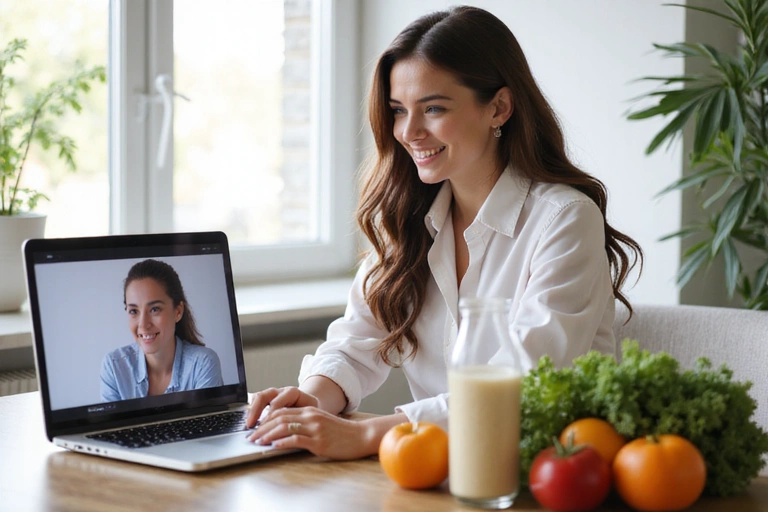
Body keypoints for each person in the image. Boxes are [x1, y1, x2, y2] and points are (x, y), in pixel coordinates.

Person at [245, 5, 642, 459]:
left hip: (545, 474)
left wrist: (370, 435)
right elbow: (357, 344)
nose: (409, 131)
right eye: (398, 110)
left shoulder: (565, 219)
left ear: (499, 107)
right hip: (436, 473)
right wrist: (310, 401)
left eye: (433, 108)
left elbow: (528, 387)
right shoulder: (407, 218)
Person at [100, 259, 223, 402]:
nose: (143, 324)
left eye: (154, 309)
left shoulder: (202, 364)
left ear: (178, 311)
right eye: (134, 311)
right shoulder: (114, 366)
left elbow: (206, 423)